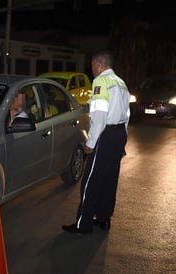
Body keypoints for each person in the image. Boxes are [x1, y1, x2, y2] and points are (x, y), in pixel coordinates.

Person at [62, 49, 131, 235]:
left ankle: (82, 225)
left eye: (92, 65)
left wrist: (90, 143)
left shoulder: (101, 81)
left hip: (105, 135)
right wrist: (122, 141)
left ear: (100, 64)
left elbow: (99, 116)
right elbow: (126, 115)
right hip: (118, 135)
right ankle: (103, 219)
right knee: (109, 179)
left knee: (90, 182)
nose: (91, 68)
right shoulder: (120, 82)